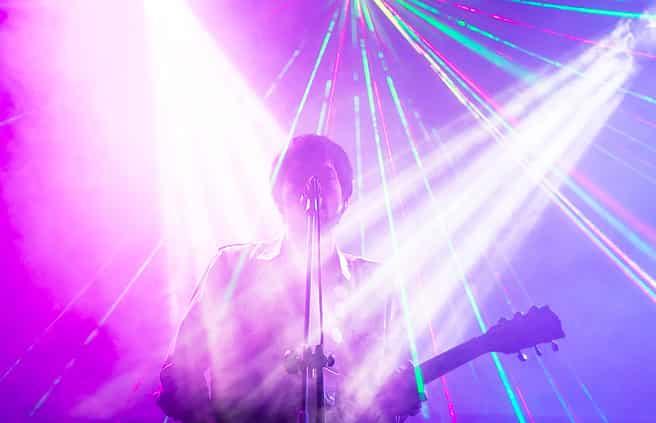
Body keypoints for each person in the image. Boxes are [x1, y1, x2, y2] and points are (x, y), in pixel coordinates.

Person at [157, 134, 422, 422]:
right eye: (298, 175)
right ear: (277, 198)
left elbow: (398, 390)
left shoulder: (376, 283)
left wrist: (401, 396)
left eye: (325, 177)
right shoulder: (232, 267)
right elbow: (180, 370)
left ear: (346, 199)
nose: (312, 185)